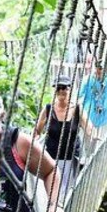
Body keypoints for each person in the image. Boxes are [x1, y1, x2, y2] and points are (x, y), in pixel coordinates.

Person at [33, 75, 90, 204]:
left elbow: (89, 129)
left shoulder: (77, 109)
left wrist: (96, 138)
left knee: (66, 194)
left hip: (71, 159)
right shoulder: (48, 109)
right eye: (58, 88)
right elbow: (37, 130)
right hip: (52, 159)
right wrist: (32, 142)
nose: (61, 91)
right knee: (53, 191)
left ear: (70, 89)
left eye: (64, 88)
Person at [79, 63, 107, 133]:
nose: (98, 70)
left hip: (106, 119)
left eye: (101, 68)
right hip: (89, 120)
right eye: (97, 68)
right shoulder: (87, 80)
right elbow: (78, 96)